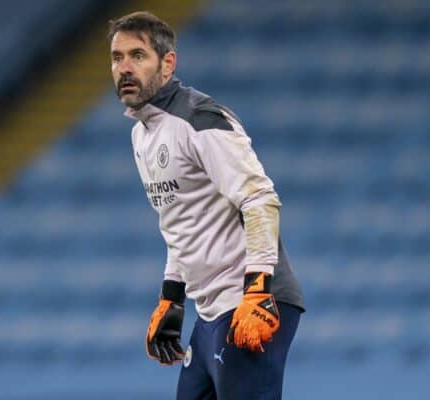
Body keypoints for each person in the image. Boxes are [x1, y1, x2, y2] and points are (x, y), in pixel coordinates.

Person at [108, 11, 305, 400]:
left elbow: (260, 199)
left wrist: (258, 289)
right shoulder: (142, 135)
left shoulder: (197, 119)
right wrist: (171, 296)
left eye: (137, 56)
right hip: (212, 310)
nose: (125, 68)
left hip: (251, 301)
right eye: (117, 58)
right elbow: (180, 221)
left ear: (167, 64)